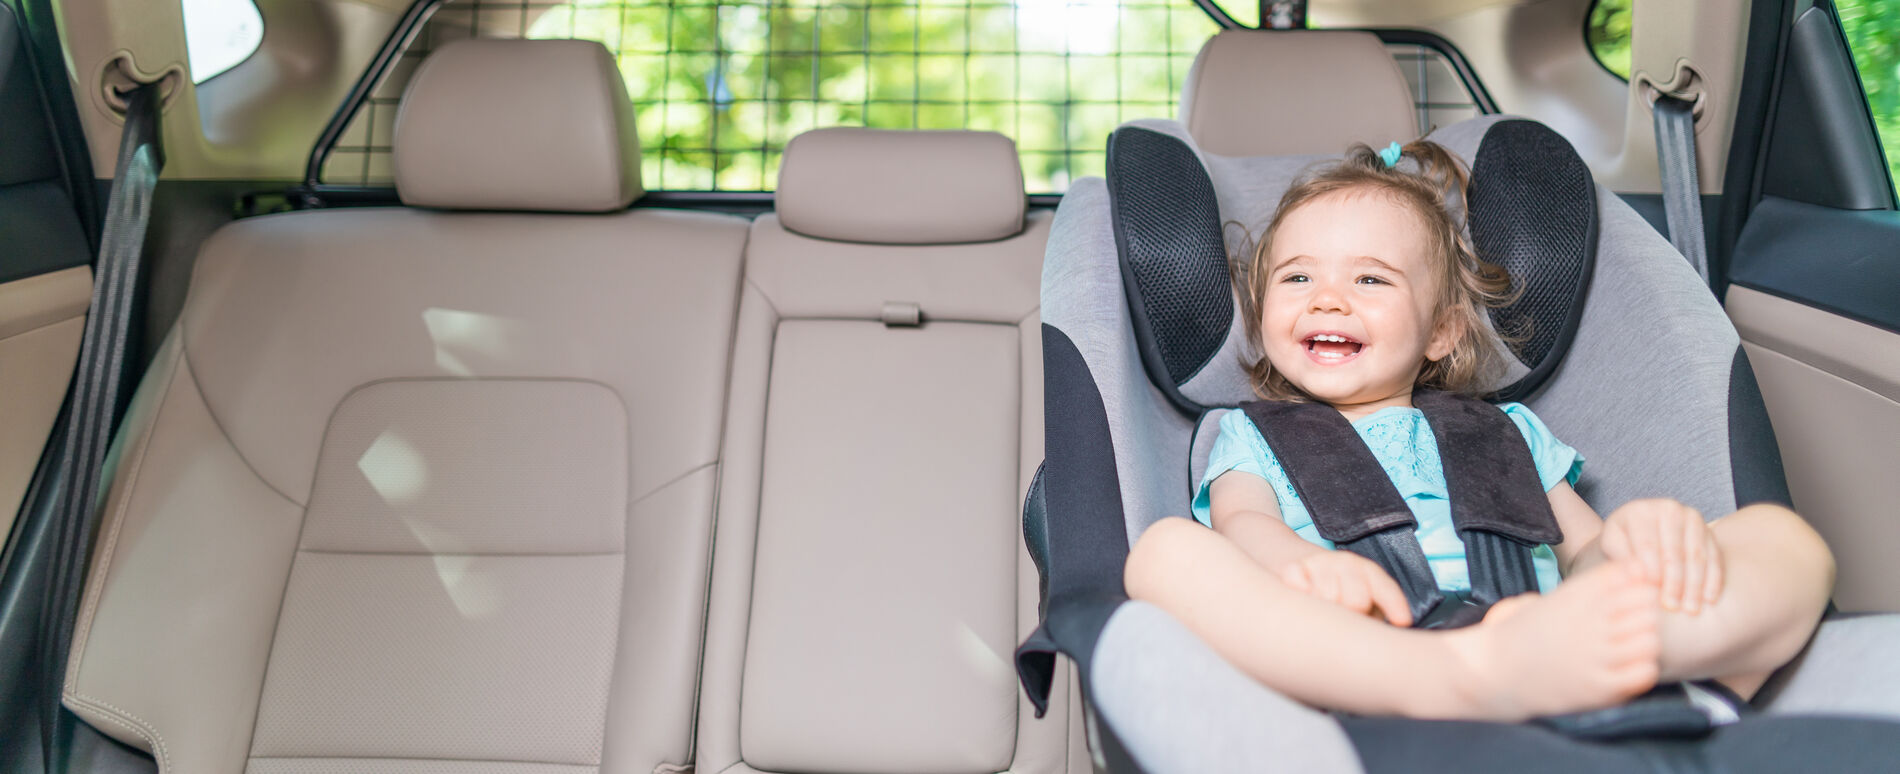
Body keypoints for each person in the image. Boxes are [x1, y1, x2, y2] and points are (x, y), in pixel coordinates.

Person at [1122, 140, 1836, 722]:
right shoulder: (1251, 437)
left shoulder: (1506, 431)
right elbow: (1243, 528)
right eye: (1297, 279)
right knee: (1163, 553)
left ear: (1441, 331)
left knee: (1788, 543)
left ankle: (1656, 659)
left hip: (1545, 646)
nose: (1329, 298)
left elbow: (1584, 553)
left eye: (1371, 281)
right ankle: (1450, 677)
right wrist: (1296, 568)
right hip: (1363, 661)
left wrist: (1633, 543)